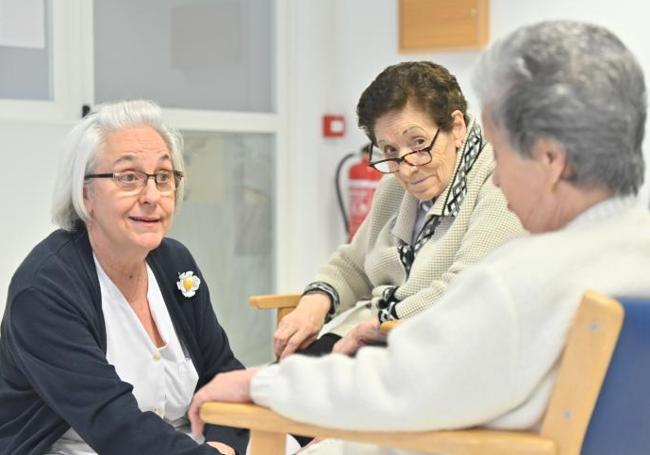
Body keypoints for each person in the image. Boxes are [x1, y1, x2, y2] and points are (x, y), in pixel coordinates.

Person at [188, 20, 650, 454]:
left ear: (550, 158)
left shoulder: (518, 283)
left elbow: (400, 383)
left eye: (502, 151)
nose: (497, 177)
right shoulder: (634, 248)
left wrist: (256, 385)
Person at [0, 100, 248, 455]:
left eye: (163, 177)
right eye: (128, 177)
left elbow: (223, 374)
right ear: (85, 193)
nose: (151, 196)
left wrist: (225, 445)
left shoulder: (174, 261)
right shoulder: (44, 289)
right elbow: (115, 428)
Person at [274, 61, 524, 359]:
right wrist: (315, 301)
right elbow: (354, 264)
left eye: (418, 143)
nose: (407, 168)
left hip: (435, 342)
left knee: (294, 389)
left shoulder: (501, 179)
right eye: (390, 151)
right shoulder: (395, 186)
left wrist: (380, 325)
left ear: (456, 128)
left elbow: (466, 290)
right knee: (282, 378)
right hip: (378, 335)